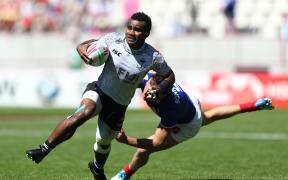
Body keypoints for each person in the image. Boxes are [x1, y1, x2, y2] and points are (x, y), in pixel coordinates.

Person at [25, 12, 175, 180]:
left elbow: (170, 75)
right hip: (99, 90)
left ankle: (97, 167)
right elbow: (92, 43)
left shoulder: (153, 56)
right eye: (130, 28)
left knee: (103, 142)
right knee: (82, 114)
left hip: (119, 105)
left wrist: (161, 89)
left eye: (138, 30)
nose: (132, 32)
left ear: (147, 34)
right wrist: (80, 46)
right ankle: (43, 150)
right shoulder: (113, 39)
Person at [111, 72, 274, 180]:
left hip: (187, 124)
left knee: (143, 151)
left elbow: (157, 143)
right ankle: (253, 105)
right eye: (148, 90)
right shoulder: (148, 79)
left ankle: (125, 173)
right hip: (190, 102)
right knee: (211, 116)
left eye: (155, 95)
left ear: (165, 94)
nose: (148, 96)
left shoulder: (171, 108)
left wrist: (126, 140)